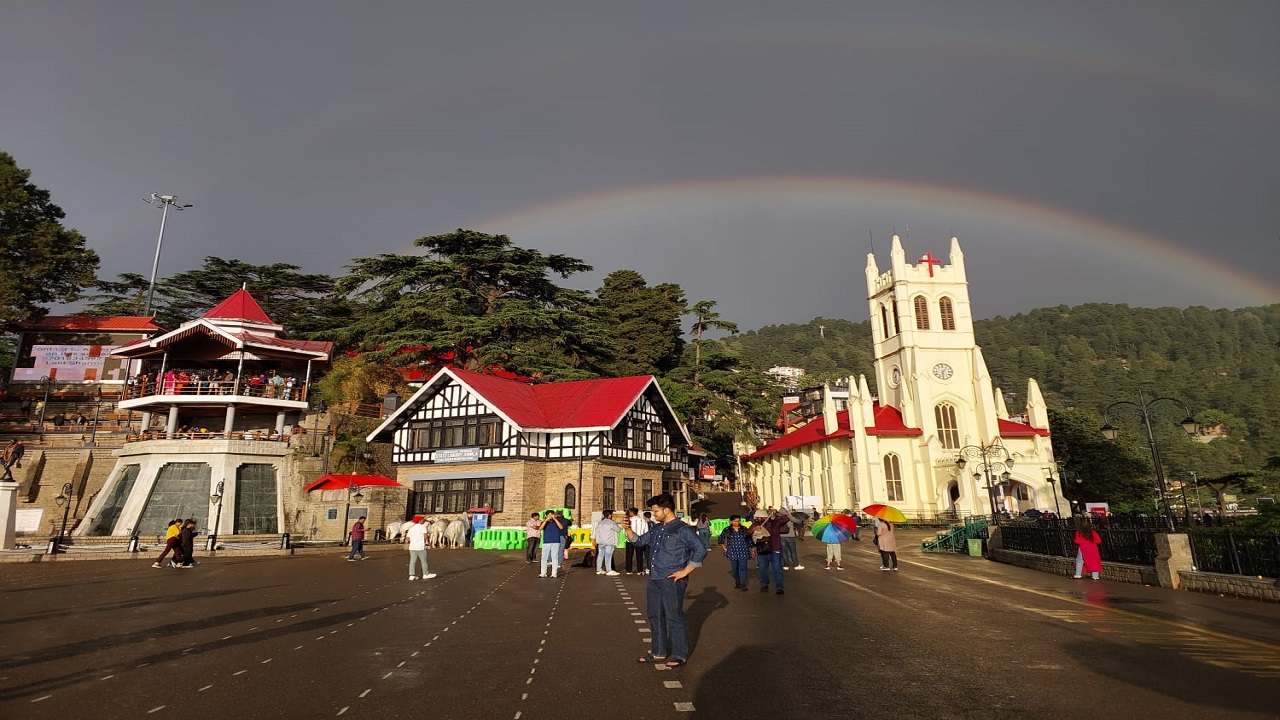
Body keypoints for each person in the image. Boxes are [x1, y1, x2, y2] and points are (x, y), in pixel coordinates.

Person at [622, 493, 707, 668]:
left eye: (655, 511)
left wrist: (685, 571)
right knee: (654, 615)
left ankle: (679, 655)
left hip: (672, 579)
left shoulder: (682, 529)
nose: (653, 514)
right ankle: (658, 652)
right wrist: (628, 529)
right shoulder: (656, 528)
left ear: (666, 510)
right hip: (654, 577)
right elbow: (638, 542)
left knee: (674, 616)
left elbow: (700, 549)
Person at [753, 509, 790, 593]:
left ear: (763, 517)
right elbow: (748, 533)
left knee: (777, 568)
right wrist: (754, 530)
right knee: (763, 568)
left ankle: (779, 587)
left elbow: (786, 519)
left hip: (775, 548)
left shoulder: (775, 523)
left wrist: (777, 513)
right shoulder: (756, 524)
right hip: (762, 549)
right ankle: (764, 584)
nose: (757, 518)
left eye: (759, 517)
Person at [717, 514, 753, 590]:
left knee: (743, 568)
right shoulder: (727, 530)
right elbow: (720, 540)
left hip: (743, 551)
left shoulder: (744, 529)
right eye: (735, 521)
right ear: (731, 521)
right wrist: (725, 549)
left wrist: (752, 548)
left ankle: (743, 584)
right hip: (732, 551)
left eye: (738, 521)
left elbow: (749, 539)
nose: (737, 523)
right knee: (735, 568)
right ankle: (737, 582)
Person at [592, 509, 622, 576]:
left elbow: (596, 532)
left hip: (601, 542)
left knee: (600, 556)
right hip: (609, 542)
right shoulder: (611, 523)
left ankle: (598, 569)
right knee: (608, 556)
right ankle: (609, 570)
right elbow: (618, 530)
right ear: (610, 515)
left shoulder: (600, 523)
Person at [539, 510, 567, 578]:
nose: (550, 516)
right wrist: (546, 520)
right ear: (546, 515)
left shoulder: (556, 521)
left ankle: (554, 572)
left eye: (552, 514)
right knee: (544, 557)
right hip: (546, 541)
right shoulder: (544, 522)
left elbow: (561, 527)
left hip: (555, 541)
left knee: (554, 557)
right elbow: (540, 528)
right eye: (549, 514)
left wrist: (554, 518)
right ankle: (543, 572)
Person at [624, 507, 649, 574]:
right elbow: (646, 531)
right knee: (639, 556)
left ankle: (629, 570)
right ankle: (640, 570)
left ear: (631, 512)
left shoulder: (628, 520)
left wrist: (627, 536)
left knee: (629, 556)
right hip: (640, 539)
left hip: (629, 540)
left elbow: (625, 531)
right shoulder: (643, 520)